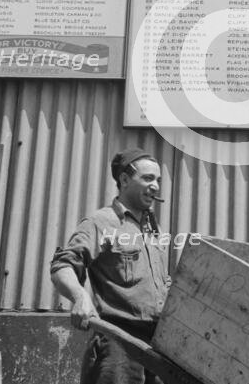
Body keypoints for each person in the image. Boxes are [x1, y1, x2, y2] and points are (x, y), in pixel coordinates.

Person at [50, 147, 169, 384]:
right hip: (119, 344)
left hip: (158, 346)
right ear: (124, 180)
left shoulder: (154, 231)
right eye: (147, 178)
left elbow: (162, 283)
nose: (155, 185)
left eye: (157, 180)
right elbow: (63, 265)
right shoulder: (100, 223)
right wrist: (80, 297)